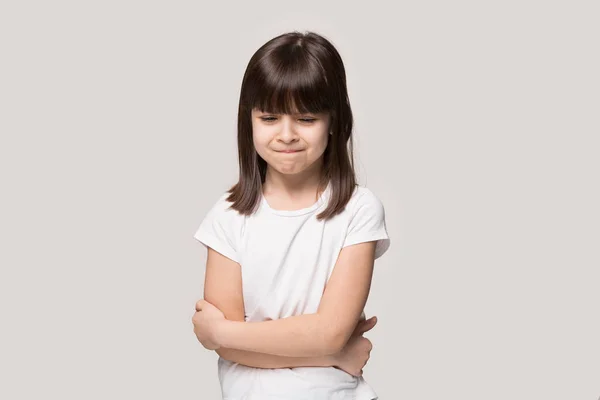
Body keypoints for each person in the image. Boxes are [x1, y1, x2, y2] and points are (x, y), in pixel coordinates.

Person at [191, 31, 391, 400]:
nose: (286, 135)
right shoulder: (227, 217)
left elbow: (328, 331)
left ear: (334, 121)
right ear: (248, 121)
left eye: (306, 118)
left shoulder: (358, 210)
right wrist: (332, 354)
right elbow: (232, 352)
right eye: (269, 117)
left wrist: (220, 332)